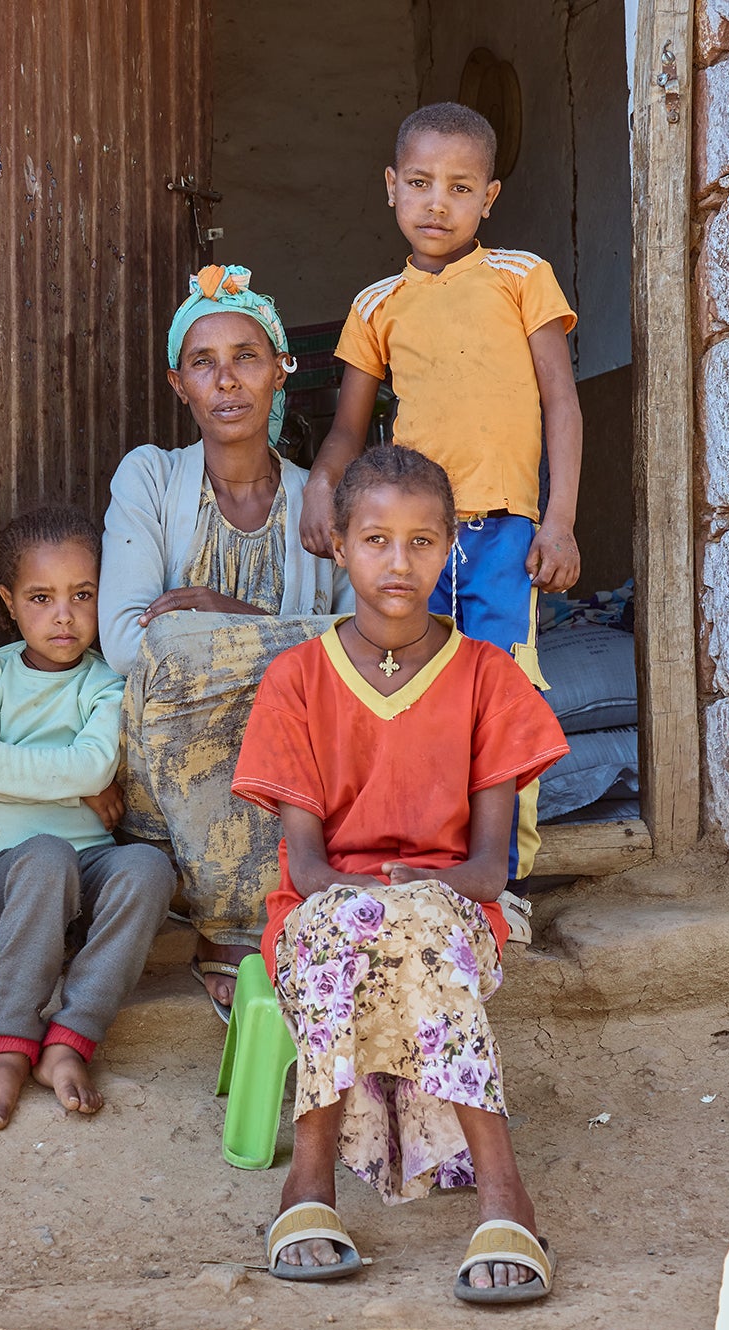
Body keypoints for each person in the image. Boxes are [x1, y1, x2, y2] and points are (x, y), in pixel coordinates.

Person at [234, 445, 568, 1304]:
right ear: (338, 544)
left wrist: (409, 895)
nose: (399, 562)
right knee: (359, 924)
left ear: (451, 545)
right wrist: (375, 895)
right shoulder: (298, 679)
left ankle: (502, 1195)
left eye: (423, 541)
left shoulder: (489, 679)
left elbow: (488, 870)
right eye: (376, 539)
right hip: (322, 911)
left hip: (453, 914)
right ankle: (313, 1181)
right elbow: (306, 867)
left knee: (416, 923)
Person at [296, 101, 584, 881]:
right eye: (419, 182)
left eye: (460, 187)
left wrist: (558, 522)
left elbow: (561, 399)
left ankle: (504, 876)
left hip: (503, 535)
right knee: (418, 687)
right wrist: (324, 483)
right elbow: (349, 429)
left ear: (489, 197)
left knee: (501, 692)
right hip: (413, 537)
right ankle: (426, 856)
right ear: (391, 186)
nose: (437, 202)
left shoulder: (522, 278)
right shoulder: (376, 305)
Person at [98, 264, 350, 1018]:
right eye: (204, 363)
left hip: (290, 763)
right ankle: (232, 925)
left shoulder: (320, 500)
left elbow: (361, 647)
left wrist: (223, 611)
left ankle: (264, 912)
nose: (228, 380)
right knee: (170, 648)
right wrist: (281, 643)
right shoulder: (150, 477)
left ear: (281, 370)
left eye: (246, 356)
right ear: (180, 385)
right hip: (167, 780)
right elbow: (126, 645)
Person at [0, 505, 176, 1130]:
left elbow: (87, 769)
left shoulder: (105, 683)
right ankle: (12, 1046)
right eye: (41, 597)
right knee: (45, 854)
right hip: (9, 874)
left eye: (82, 595)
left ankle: (71, 1038)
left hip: (92, 869)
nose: (64, 615)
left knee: (150, 868)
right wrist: (72, 784)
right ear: (8, 601)